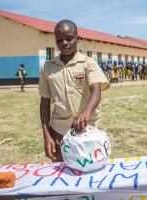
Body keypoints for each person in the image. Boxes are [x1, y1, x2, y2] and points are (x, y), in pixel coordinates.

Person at [38, 20, 110, 162]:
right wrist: (47, 135)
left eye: (69, 38)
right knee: (62, 171)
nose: (64, 43)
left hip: (87, 129)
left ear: (78, 38)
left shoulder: (88, 63)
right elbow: (44, 103)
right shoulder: (48, 67)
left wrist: (87, 112)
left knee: (88, 169)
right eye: (59, 40)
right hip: (59, 131)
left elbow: (96, 90)